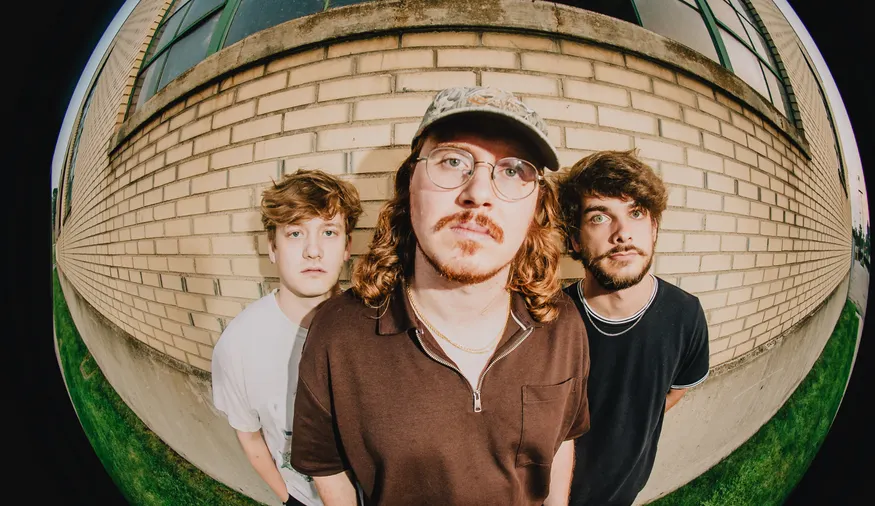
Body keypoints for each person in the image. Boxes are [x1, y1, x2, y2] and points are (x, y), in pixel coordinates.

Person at [289, 86, 590, 506]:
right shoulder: (336, 333)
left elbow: (560, 443)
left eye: (513, 170)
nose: (478, 193)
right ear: (409, 185)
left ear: (535, 207)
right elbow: (326, 468)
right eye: (452, 161)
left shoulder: (562, 324)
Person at [558, 150, 711, 506]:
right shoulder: (550, 319)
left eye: (637, 213)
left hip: (625, 490)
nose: (623, 233)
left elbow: (675, 391)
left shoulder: (686, 314)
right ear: (575, 239)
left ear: (654, 227)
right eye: (599, 217)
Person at [212, 168, 362, 506]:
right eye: (295, 233)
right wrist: (289, 500)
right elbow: (250, 438)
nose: (313, 251)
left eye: (329, 232)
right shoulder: (238, 346)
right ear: (273, 248)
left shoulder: (374, 325)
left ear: (347, 247)